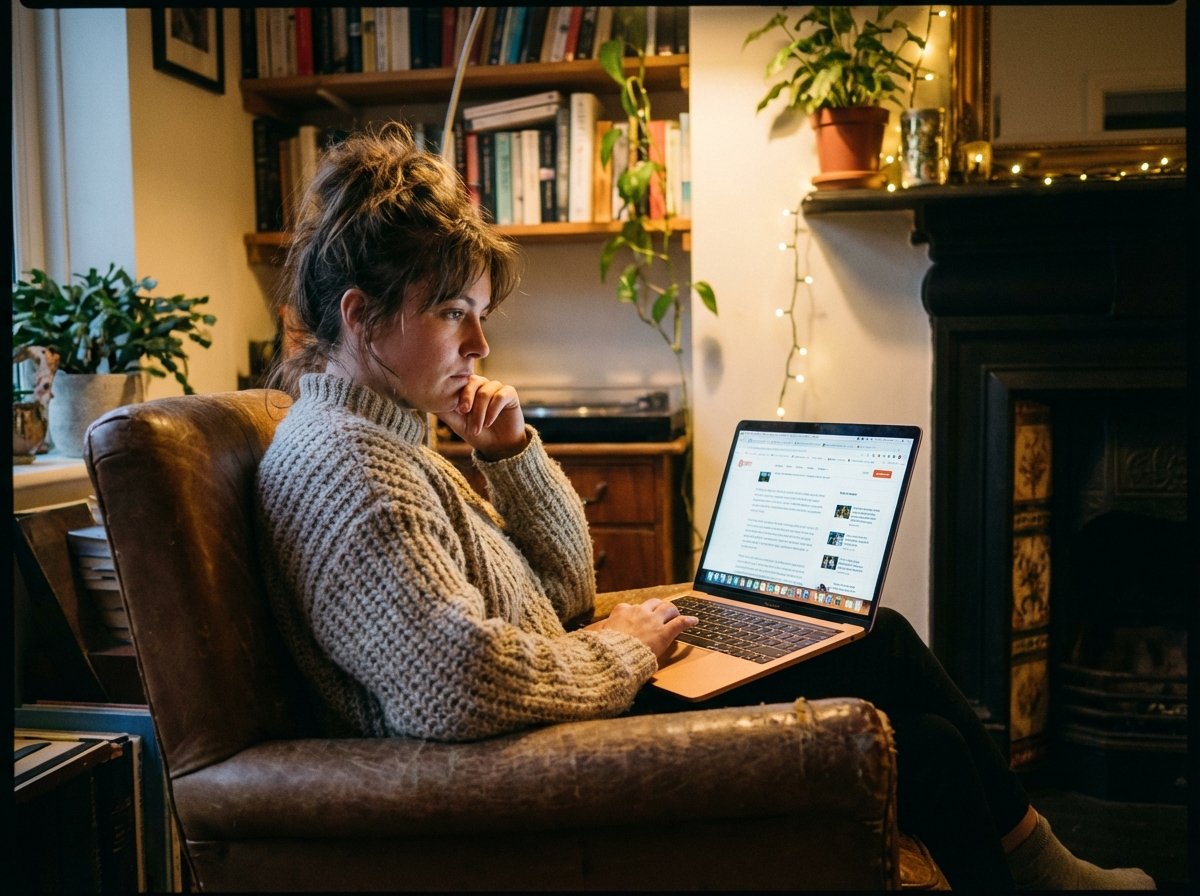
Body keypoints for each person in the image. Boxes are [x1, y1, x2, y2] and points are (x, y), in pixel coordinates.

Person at [255, 123, 1153, 893]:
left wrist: (510, 455)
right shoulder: (349, 469)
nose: (483, 344)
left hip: (562, 713)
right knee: (894, 689)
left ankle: (1038, 868)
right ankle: (1042, 869)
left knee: (894, 690)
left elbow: (566, 588)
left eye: (481, 314)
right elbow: (455, 685)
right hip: (535, 762)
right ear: (361, 316)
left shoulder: (393, 440)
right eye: (455, 313)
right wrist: (627, 648)